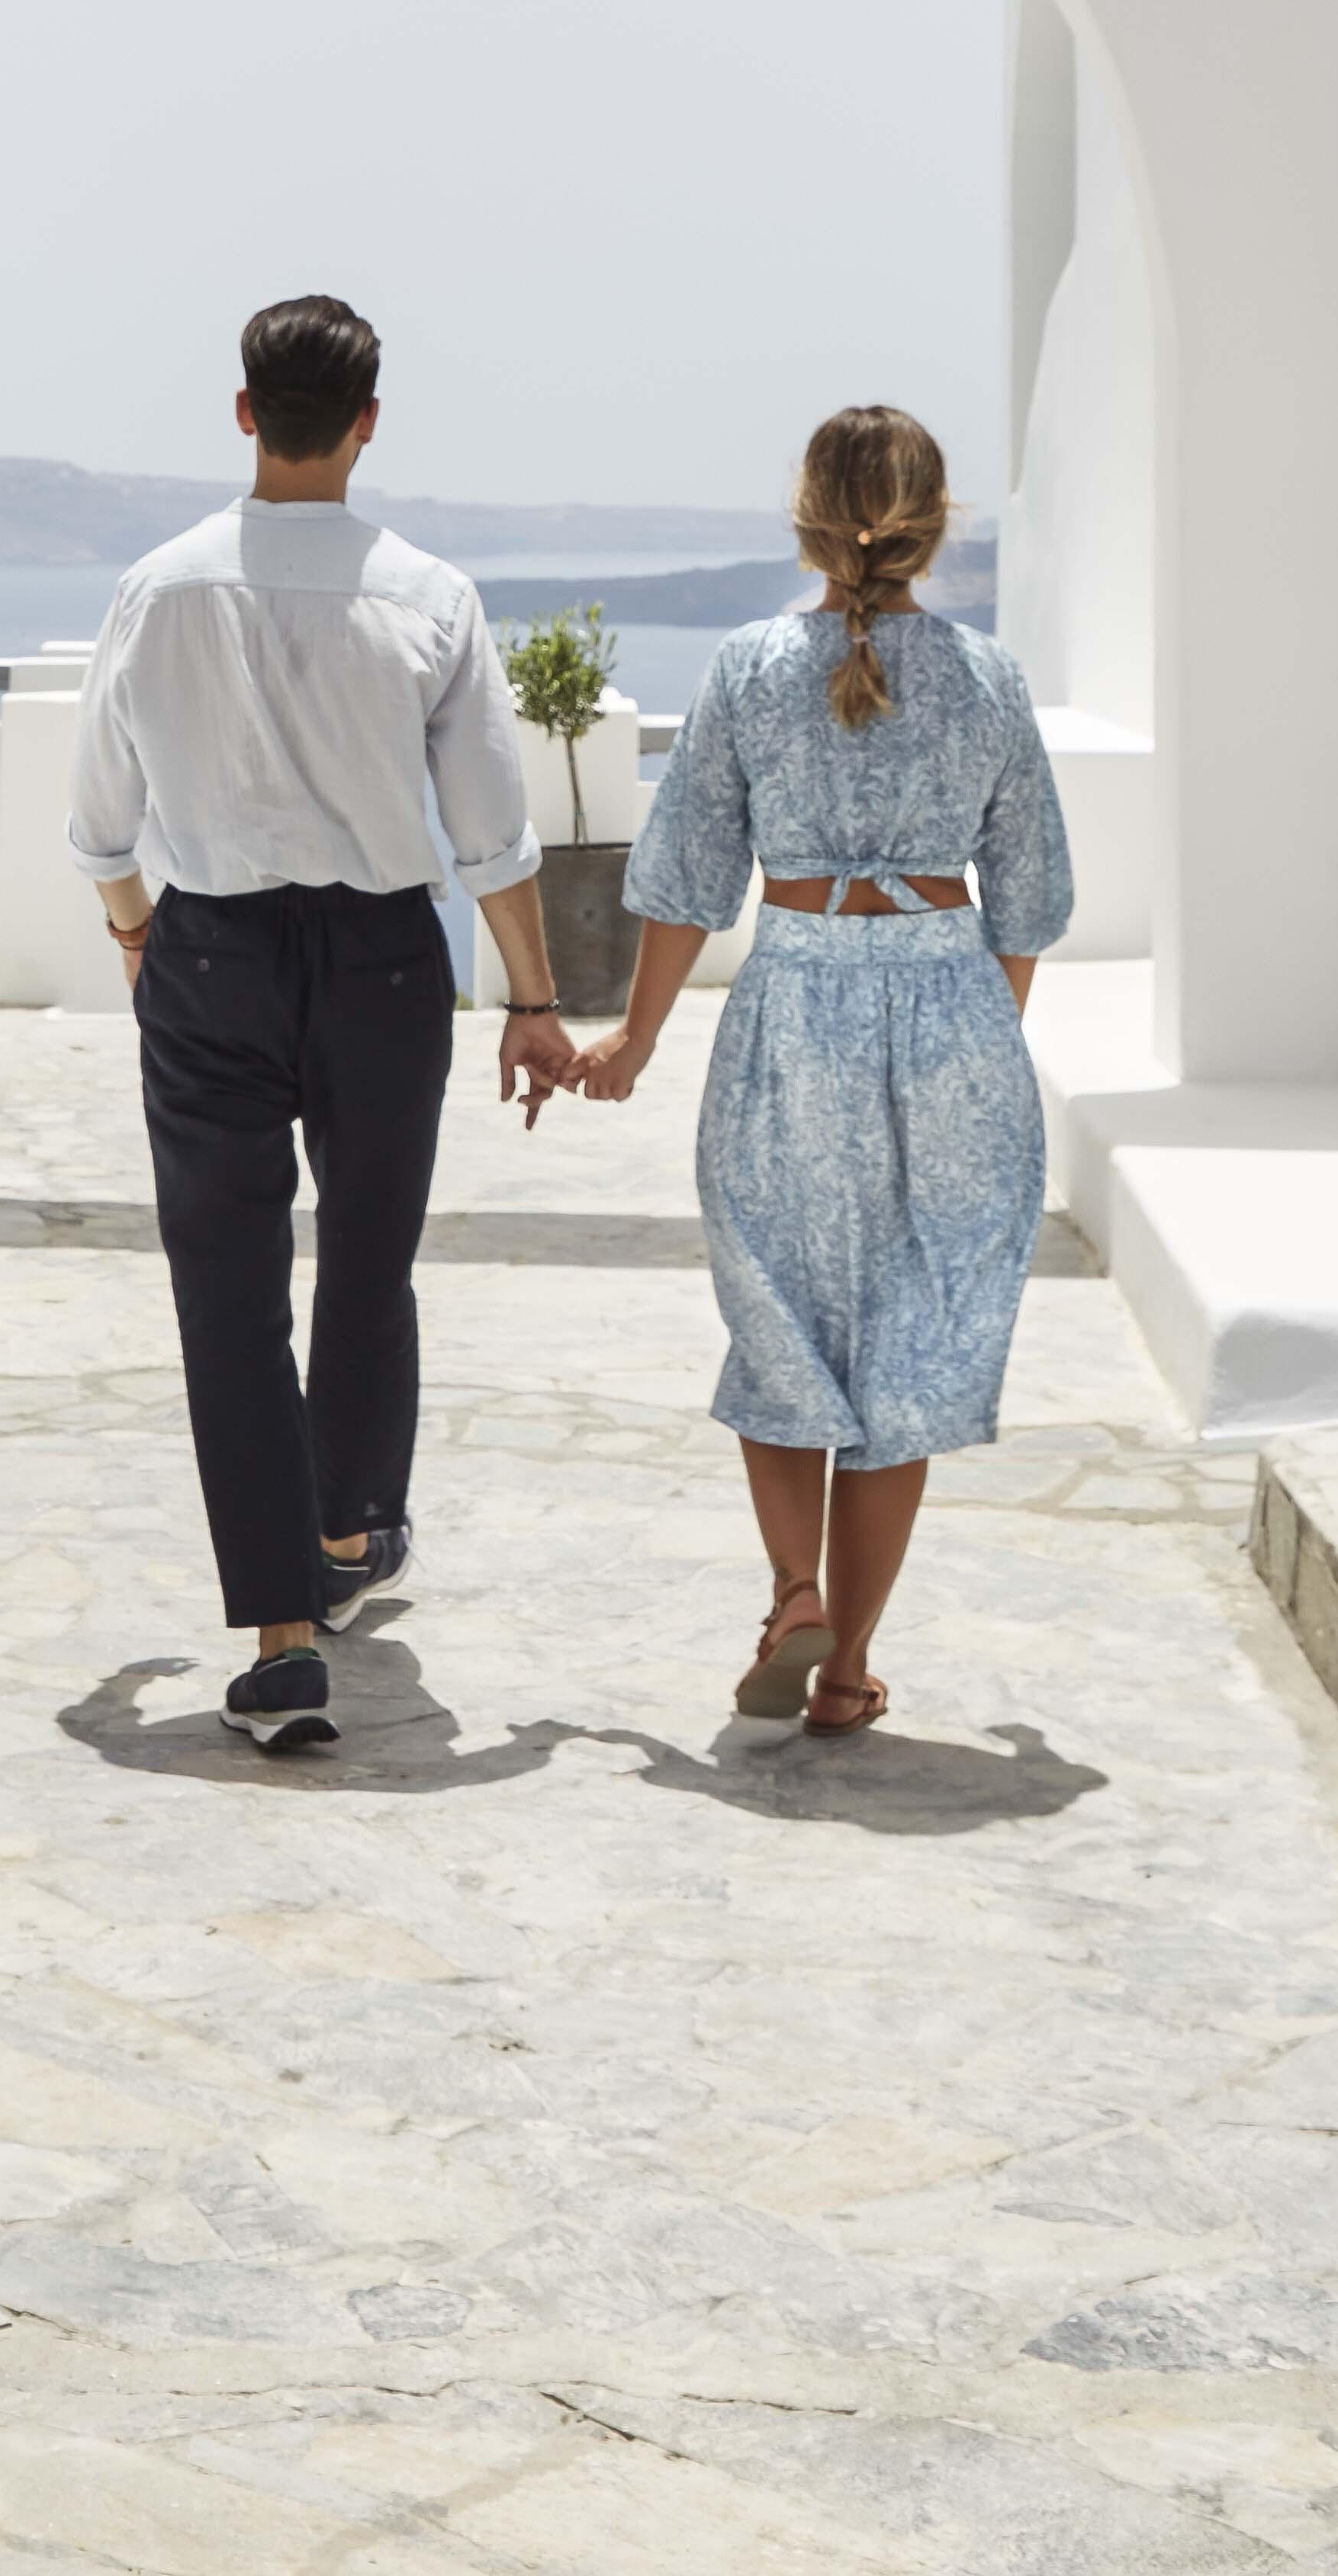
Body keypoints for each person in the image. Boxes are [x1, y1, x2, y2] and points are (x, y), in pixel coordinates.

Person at [68, 296, 577, 1752]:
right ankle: (351, 1539)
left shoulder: (157, 588)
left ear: (243, 413)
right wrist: (533, 1004)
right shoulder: (428, 593)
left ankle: (284, 1637)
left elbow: (99, 820)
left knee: (226, 1288)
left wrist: (137, 938)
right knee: (367, 1255)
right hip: (380, 962)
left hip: (209, 951)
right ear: (365, 422)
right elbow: (493, 833)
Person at [558, 403, 1071, 1739]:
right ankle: (848, 1675)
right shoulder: (989, 679)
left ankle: (796, 1593)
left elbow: (680, 884)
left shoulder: (743, 669)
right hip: (951, 1001)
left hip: (793, 1004)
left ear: (805, 518)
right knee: (904, 1350)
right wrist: (974, 1040)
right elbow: (1028, 902)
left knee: (778, 1308)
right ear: (932, 521)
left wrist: (634, 1037)